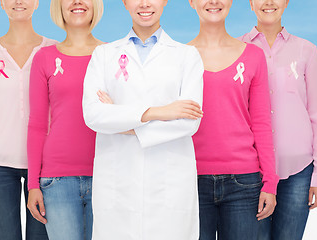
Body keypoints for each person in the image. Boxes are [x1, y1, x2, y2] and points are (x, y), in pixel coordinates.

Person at [82, 0, 204, 239]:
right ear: (125, 3)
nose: (145, 4)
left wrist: (120, 121)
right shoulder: (104, 55)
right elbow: (94, 114)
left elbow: (189, 120)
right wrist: (158, 112)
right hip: (118, 182)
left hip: (169, 184)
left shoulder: (187, 56)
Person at [187, 0, 278, 239]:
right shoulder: (180, 58)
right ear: (191, 2)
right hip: (190, 179)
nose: (214, 2)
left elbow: (261, 123)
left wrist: (270, 181)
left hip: (244, 183)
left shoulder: (254, 57)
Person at [238, 0, 317, 239]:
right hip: (251, 172)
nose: (268, 2)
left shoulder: (306, 50)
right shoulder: (236, 49)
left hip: (298, 171)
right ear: (251, 4)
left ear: (286, 2)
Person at [0, 0, 56, 239]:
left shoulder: (53, 49)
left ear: (37, 3)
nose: (19, 1)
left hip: (44, 163)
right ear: (2, 4)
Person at [25, 0, 103, 239]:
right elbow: (37, 124)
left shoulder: (112, 55)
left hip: (106, 175)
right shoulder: (44, 58)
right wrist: (33, 185)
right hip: (56, 181)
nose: (78, 2)